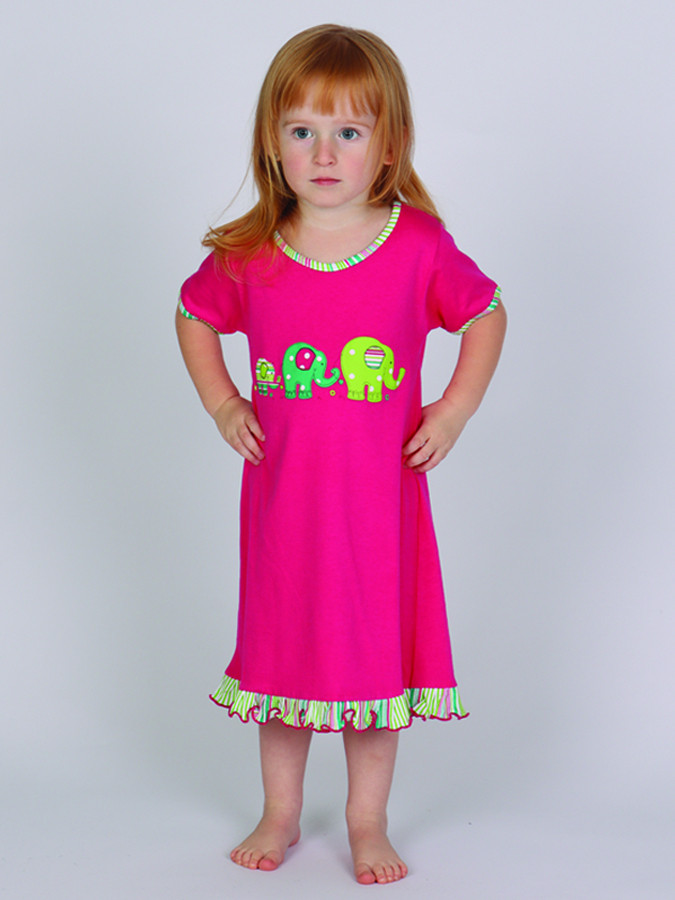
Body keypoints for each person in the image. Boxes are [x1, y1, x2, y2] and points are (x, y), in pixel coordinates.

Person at [176, 23, 506, 886]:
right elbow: (194, 314)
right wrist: (223, 402)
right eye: (302, 131)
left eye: (348, 132)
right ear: (272, 141)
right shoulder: (252, 253)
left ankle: (367, 819)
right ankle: (280, 812)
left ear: (387, 144)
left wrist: (453, 410)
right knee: (280, 660)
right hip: (284, 511)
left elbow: (484, 314)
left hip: (377, 512)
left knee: (371, 668)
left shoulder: (418, 245)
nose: (323, 153)